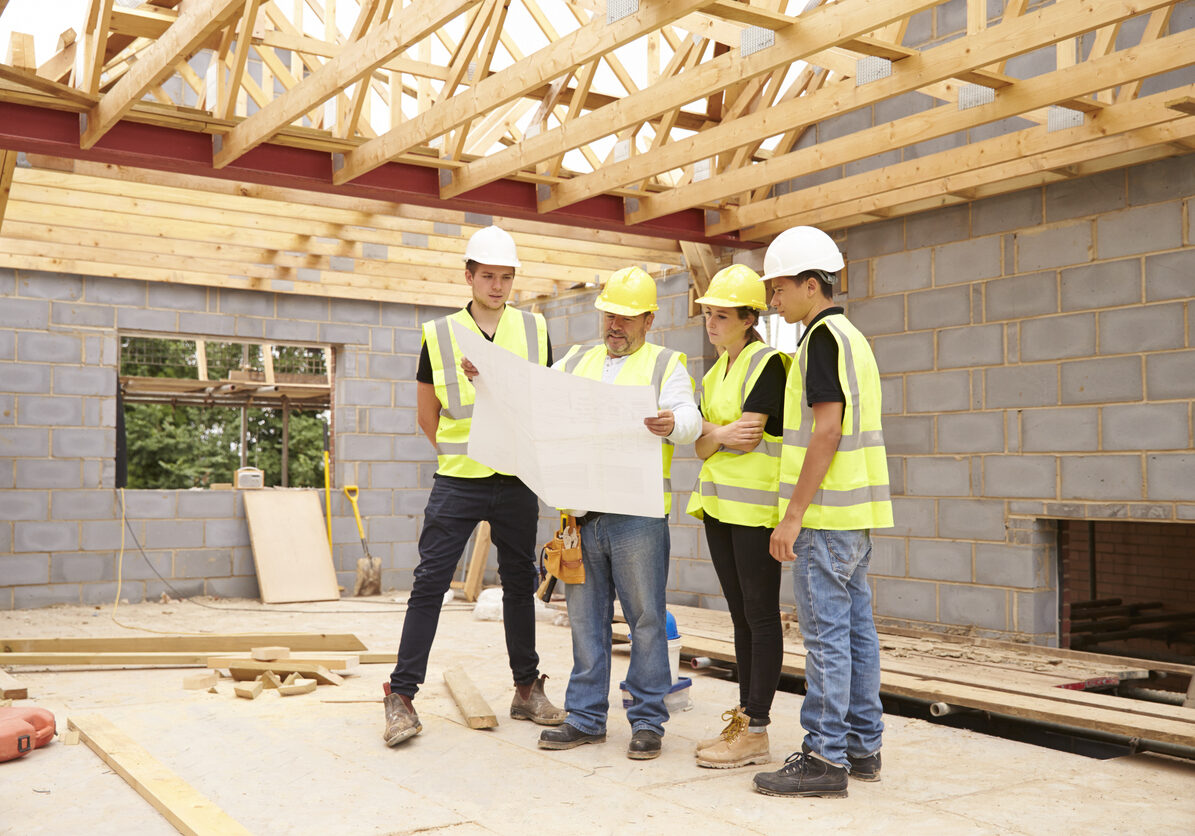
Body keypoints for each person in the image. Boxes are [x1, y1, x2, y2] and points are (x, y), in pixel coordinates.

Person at [383, 225, 565, 746]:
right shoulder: (438, 334)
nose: (498, 286)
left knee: (518, 585)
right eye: (488, 276)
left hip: (515, 479)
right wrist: (460, 455)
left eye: (507, 277)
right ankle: (401, 696)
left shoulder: (534, 328)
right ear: (468, 275)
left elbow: (543, 401)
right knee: (429, 584)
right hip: (459, 479)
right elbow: (427, 417)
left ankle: (526, 689)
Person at [749, 226, 894, 798]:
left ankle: (824, 758)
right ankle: (862, 747)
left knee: (828, 639)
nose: (773, 301)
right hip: (853, 518)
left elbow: (827, 431)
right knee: (857, 634)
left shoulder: (821, 341)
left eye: (779, 288)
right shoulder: (852, 337)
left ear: (812, 285)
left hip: (825, 521)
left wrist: (792, 516)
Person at [537, 266, 701, 760]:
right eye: (610, 314)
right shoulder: (574, 360)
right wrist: (487, 381)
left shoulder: (665, 364)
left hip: (637, 517)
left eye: (627, 318)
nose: (615, 325)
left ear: (649, 320)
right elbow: (536, 397)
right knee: (586, 623)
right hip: (582, 517)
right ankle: (586, 718)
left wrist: (673, 423)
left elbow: (691, 419)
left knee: (646, 620)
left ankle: (647, 721)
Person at [685, 264, 789, 770]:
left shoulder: (768, 364)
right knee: (740, 616)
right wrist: (716, 434)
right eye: (708, 313)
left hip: (754, 510)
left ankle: (758, 728)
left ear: (749, 319)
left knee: (761, 616)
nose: (711, 321)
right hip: (719, 507)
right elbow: (700, 447)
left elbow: (747, 433)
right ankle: (746, 721)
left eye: (722, 315)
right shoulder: (713, 372)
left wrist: (714, 431)